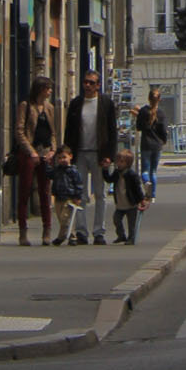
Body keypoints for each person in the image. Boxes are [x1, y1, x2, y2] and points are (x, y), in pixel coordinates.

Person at [62, 68, 118, 244]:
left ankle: (99, 231)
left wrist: (109, 155)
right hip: (79, 153)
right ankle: (81, 231)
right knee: (80, 193)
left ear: (98, 86)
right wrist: (67, 152)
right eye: (85, 82)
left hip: (99, 153)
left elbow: (112, 131)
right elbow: (69, 130)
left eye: (91, 83)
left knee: (100, 193)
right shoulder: (76, 103)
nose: (87, 85)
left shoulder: (106, 104)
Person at [15, 75, 58, 246]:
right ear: (41, 89)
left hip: (45, 151)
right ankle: (22, 231)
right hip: (29, 152)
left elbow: (53, 132)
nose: (50, 91)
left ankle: (47, 230)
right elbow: (19, 131)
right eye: (48, 88)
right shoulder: (26, 106)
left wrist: (53, 150)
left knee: (45, 192)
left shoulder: (49, 108)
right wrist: (30, 151)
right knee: (24, 191)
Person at [135, 86, 168, 202]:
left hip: (146, 144)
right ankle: (153, 195)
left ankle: (146, 182)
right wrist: (164, 140)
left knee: (144, 170)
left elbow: (138, 127)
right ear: (159, 99)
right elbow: (163, 130)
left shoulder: (143, 111)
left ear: (148, 98)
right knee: (153, 171)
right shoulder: (161, 113)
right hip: (157, 145)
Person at [109, 149, 148, 245]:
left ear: (128, 163)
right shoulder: (116, 173)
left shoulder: (132, 175)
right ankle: (121, 235)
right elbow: (109, 179)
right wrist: (105, 170)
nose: (119, 164)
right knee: (116, 219)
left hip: (131, 204)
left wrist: (142, 200)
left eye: (121, 162)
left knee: (132, 224)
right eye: (118, 161)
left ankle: (131, 238)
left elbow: (137, 189)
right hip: (120, 203)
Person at [48, 146, 84, 246]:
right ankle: (71, 236)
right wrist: (47, 163)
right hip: (58, 198)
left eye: (64, 157)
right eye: (59, 158)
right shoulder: (57, 170)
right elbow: (49, 175)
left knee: (65, 218)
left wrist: (78, 197)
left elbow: (79, 184)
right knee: (62, 219)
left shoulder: (73, 171)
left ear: (70, 157)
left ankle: (62, 237)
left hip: (69, 198)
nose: (62, 160)